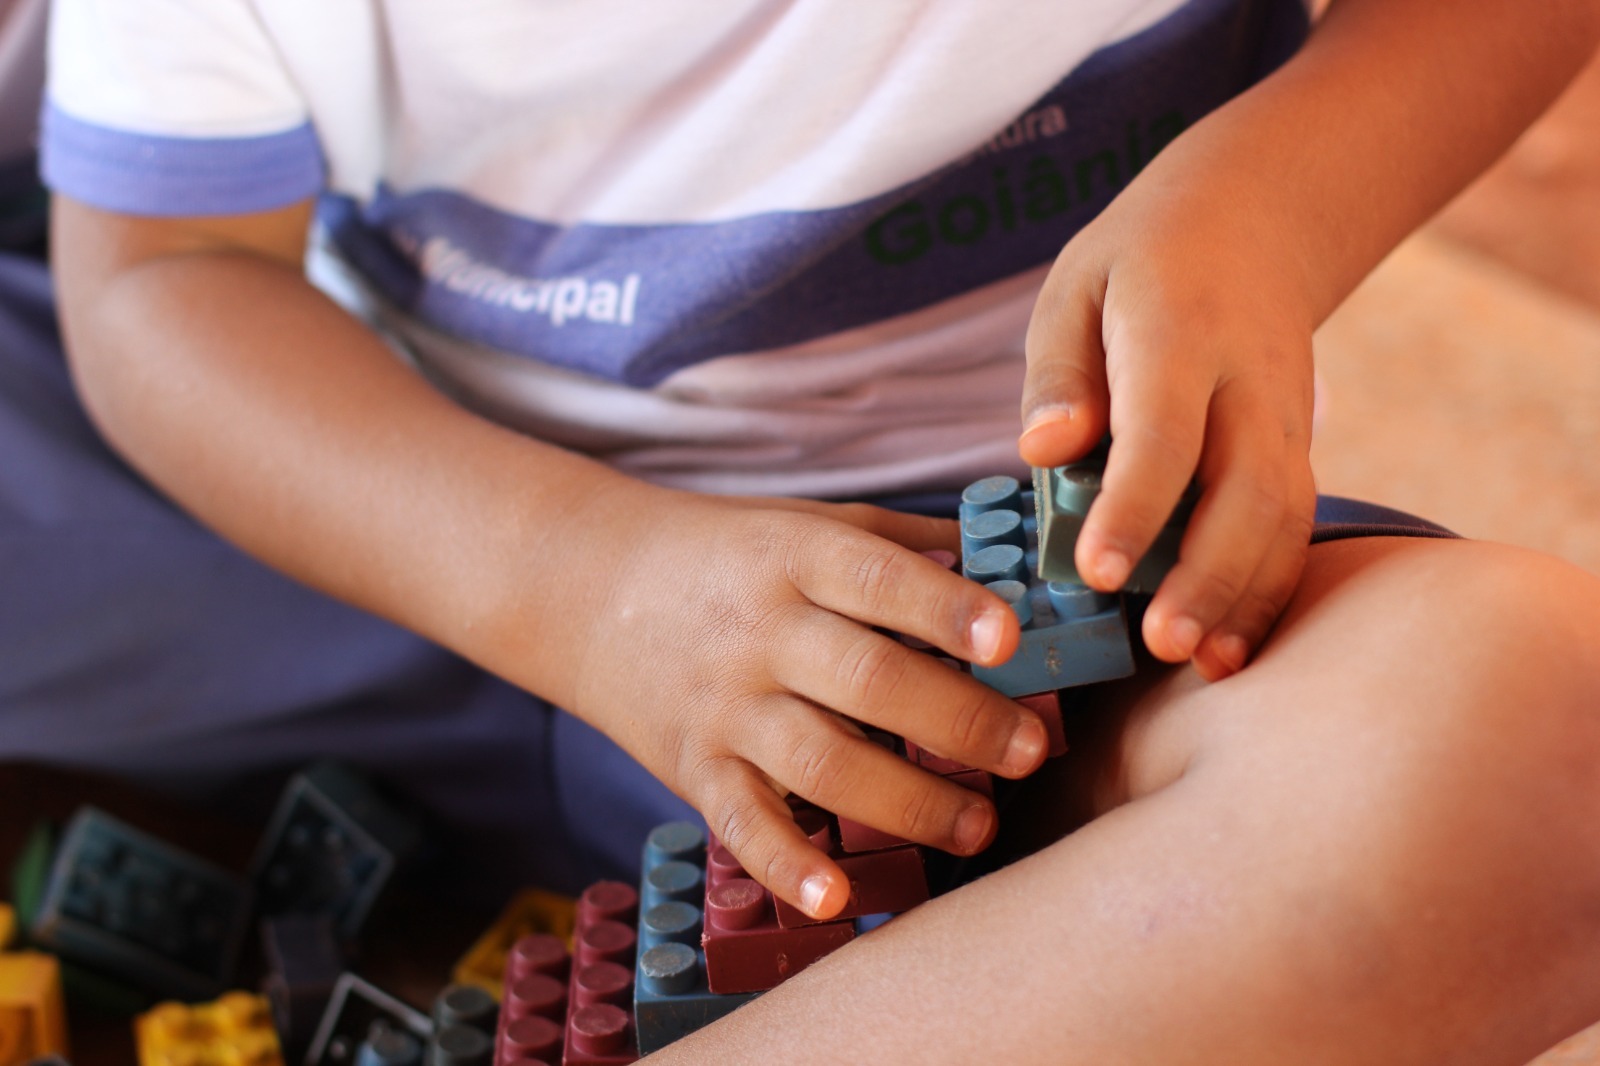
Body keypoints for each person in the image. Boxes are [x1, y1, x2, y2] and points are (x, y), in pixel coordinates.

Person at [10, 0, 1600, 1059]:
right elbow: (163, 274)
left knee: (1537, 739)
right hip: (370, 502)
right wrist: (578, 583)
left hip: (963, 642)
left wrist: (1271, 199)